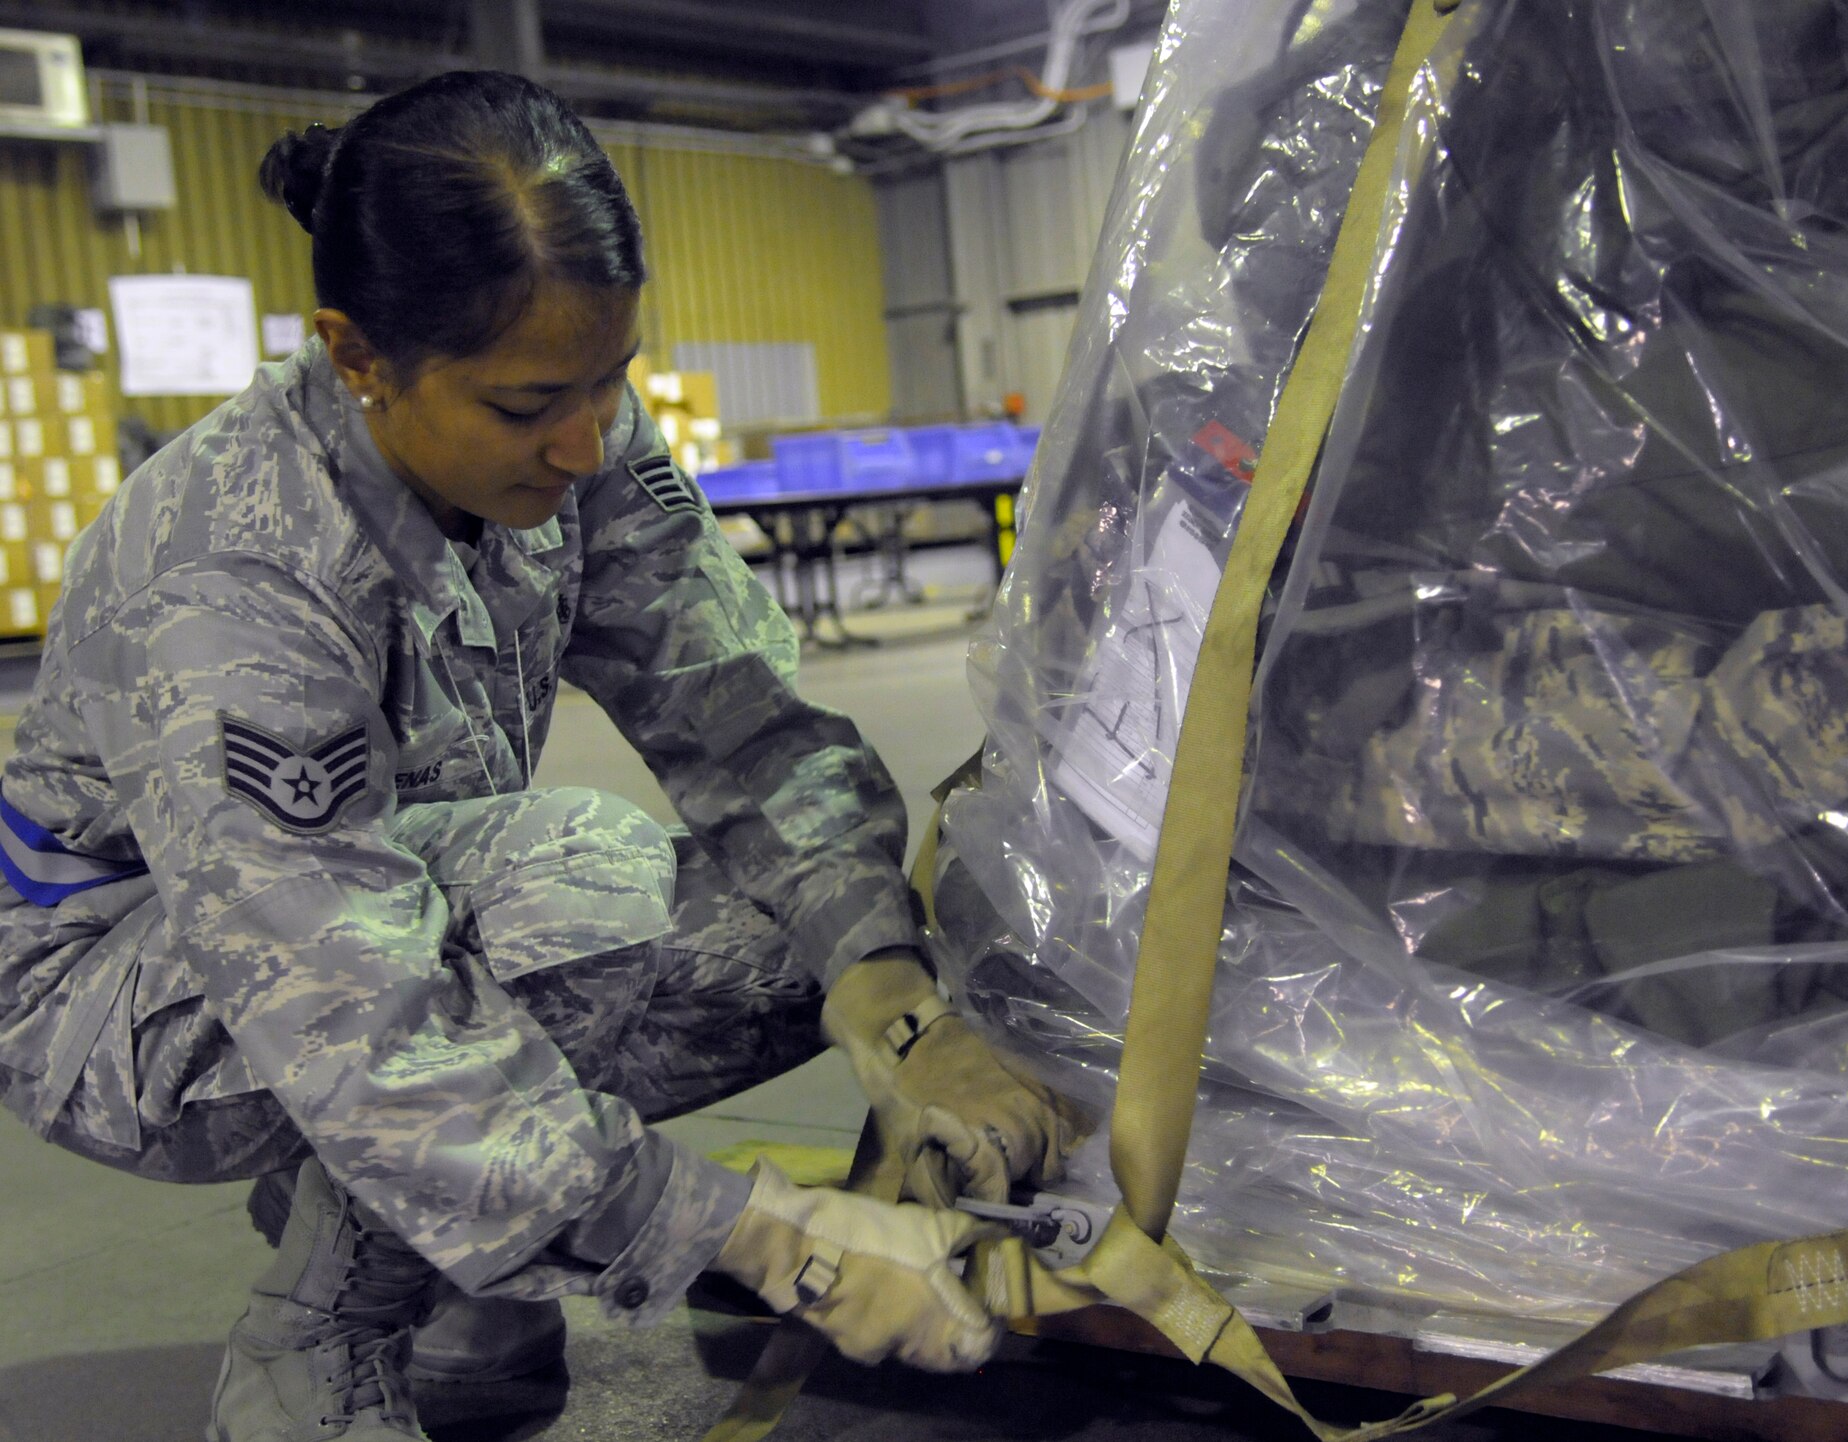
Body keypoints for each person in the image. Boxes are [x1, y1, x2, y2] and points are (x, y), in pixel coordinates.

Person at [0, 70, 1079, 1442]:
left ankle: (451, 1239)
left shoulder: (571, 432)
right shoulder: (230, 575)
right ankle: (309, 1353)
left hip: (383, 925)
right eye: (525, 407)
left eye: (609, 379)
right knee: (571, 883)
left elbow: (740, 718)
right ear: (355, 356)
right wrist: (773, 1240)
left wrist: (895, 999)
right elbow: (355, 1017)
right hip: (121, 994)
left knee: (784, 933)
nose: (582, 443)